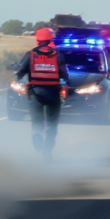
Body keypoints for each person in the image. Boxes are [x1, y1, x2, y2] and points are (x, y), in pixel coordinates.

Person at [15, 27, 64, 156]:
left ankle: (37, 140)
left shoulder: (30, 54)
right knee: (52, 123)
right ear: (50, 39)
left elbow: (20, 73)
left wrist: (20, 75)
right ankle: (48, 148)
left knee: (37, 121)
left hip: (36, 93)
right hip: (53, 93)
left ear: (37, 40)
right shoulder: (57, 55)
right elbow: (64, 74)